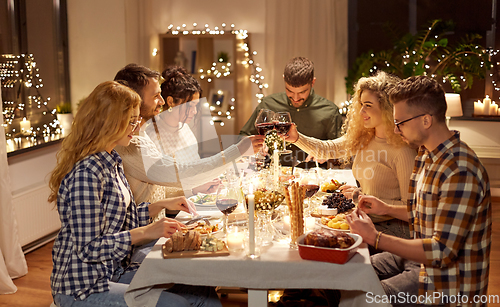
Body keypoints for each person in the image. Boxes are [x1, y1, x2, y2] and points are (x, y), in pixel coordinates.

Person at [48, 81, 221, 306]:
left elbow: (124, 220)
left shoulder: (112, 161)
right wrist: (148, 231)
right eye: (131, 121)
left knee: (202, 291)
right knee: (175, 304)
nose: (138, 126)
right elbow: (89, 248)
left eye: (137, 119)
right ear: (108, 122)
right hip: (84, 287)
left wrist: (160, 205)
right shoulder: (87, 173)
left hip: (115, 271)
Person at [346, 75, 491, 306]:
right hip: (418, 261)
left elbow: (441, 251)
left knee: (363, 298)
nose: (395, 129)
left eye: (400, 122)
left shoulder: (459, 170)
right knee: (345, 273)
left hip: (446, 285)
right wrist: (386, 207)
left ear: (426, 120)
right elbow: (423, 213)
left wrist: (375, 237)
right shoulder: (426, 155)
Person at [114, 64, 263, 219]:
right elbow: (178, 172)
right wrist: (237, 151)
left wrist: (193, 189)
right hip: (150, 234)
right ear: (133, 98)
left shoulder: (142, 133)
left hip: (161, 227)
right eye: (155, 96)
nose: (162, 101)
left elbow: (158, 188)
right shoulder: (130, 142)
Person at [285, 71, 416, 240]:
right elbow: (326, 149)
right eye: (361, 104)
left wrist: (367, 200)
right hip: (366, 221)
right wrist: (296, 138)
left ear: (387, 108)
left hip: (391, 231)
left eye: (368, 105)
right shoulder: (365, 137)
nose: (361, 111)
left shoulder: (403, 151)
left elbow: (413, 210)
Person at [239, 56, 343, 167]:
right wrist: (256, 145)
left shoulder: (329, 111)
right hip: (272, 175)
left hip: (313, 178)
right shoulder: (268, 104)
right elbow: (243, 137)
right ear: (284, 79)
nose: (296, 98)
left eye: (302, 92)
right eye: (289, 91)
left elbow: (342, 153)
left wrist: (327, 154)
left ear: (313, 82)